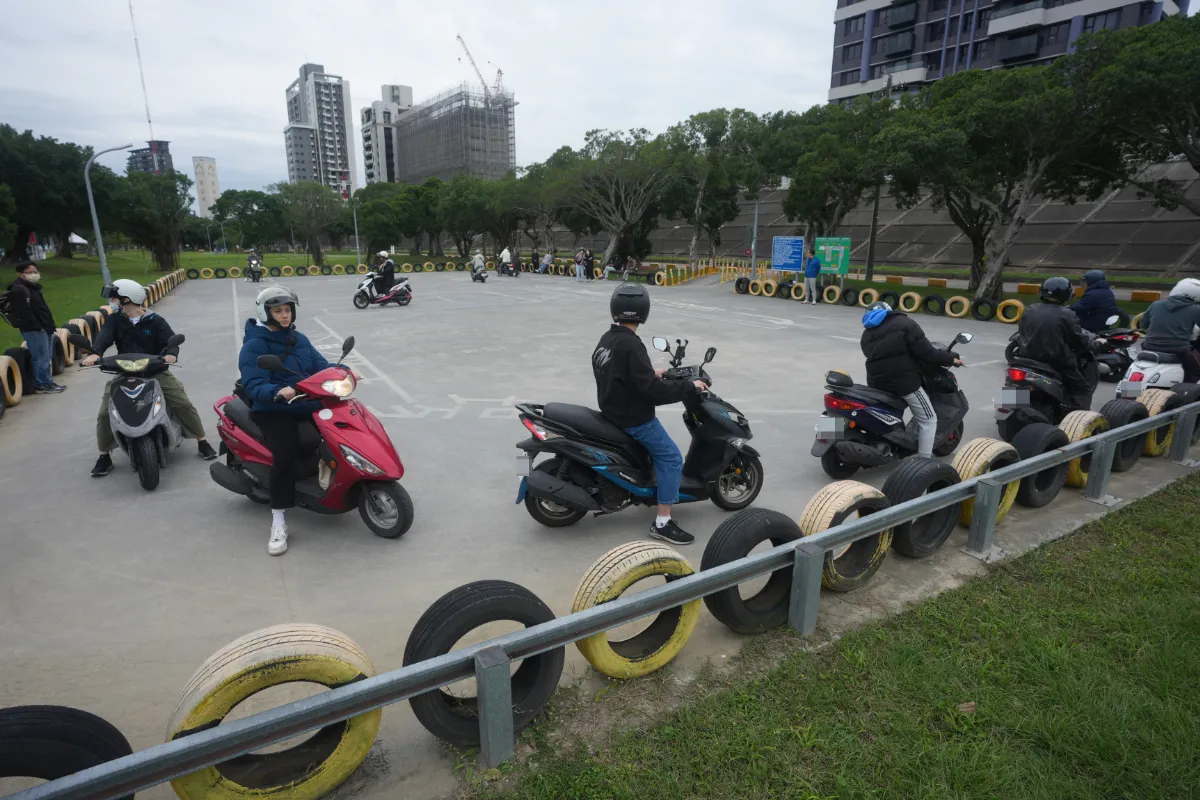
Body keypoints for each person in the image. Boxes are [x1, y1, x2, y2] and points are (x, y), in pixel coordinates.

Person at [593, 284, 708, 545]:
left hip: (612, 410)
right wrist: (689, 387)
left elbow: (620, 373)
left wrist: (651, 372)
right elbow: (651, 392)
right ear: (643, 311)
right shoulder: (631, 344)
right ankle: (663, 522)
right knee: (671, 458)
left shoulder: (609, 339)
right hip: (633, 418)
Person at [85, 279, 216, 476]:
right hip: (125, 372)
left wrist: (171, 353)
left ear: (126, 299)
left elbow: (171, 342)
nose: (111, 301)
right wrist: (94, 353)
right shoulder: (115, 320)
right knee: (105, 412)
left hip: (156, 371)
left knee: (182, 402)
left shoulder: (155, 321)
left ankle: (202, 440)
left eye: (114, 297)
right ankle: (104, 455)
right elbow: (104, 338)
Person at [237, 286, 330, 556]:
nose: (285, 315)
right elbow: (253, 383)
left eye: (287, 309)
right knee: (285, 455)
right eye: (278, 310)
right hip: (274, 409)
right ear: (266, 313)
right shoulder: (254, 345)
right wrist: (276, 392)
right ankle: (279, 521)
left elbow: (320, 364)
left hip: (305, 403)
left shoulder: (298, 338)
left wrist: (345, 372)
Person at [860, 302, 962, 459]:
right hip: (903, 382)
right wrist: (952, 360)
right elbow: (928, 353)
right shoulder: (905, 323)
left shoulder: (867, 334)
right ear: (889, 311)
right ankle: (924, 461)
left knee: (892, 414)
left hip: (876, 381)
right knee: (928, 419)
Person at [1017, 277, 1097, 410]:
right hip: (1057, 363)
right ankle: (1076, 422)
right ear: (1066, 295)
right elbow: (1079, 341)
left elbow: (1022, 332)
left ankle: (1006, 407)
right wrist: (1097, 344)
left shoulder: (1030, 310)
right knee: (1082, 391)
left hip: (1026, 359)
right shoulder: (1067, 314)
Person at [6, 261, 66, 394]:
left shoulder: (33, 287)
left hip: (45, 327)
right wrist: (37, 326)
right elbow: (23, 313)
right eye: (30, 272)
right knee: (40, 358)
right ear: (20, 274)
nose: (34, 274)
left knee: (46, 357)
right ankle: (42, 384)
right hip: (34, 330)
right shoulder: (18, 289)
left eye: (35, 272)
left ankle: (47, 381)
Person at [1139, 278, 1200, 383]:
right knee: (1196, 369)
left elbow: (1143, 324)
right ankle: (1187, 393)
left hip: (1149, 346)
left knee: (1139, 368)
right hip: (1179, 349)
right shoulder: (1195, 309)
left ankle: (1129, 391)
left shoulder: (1156, 304)